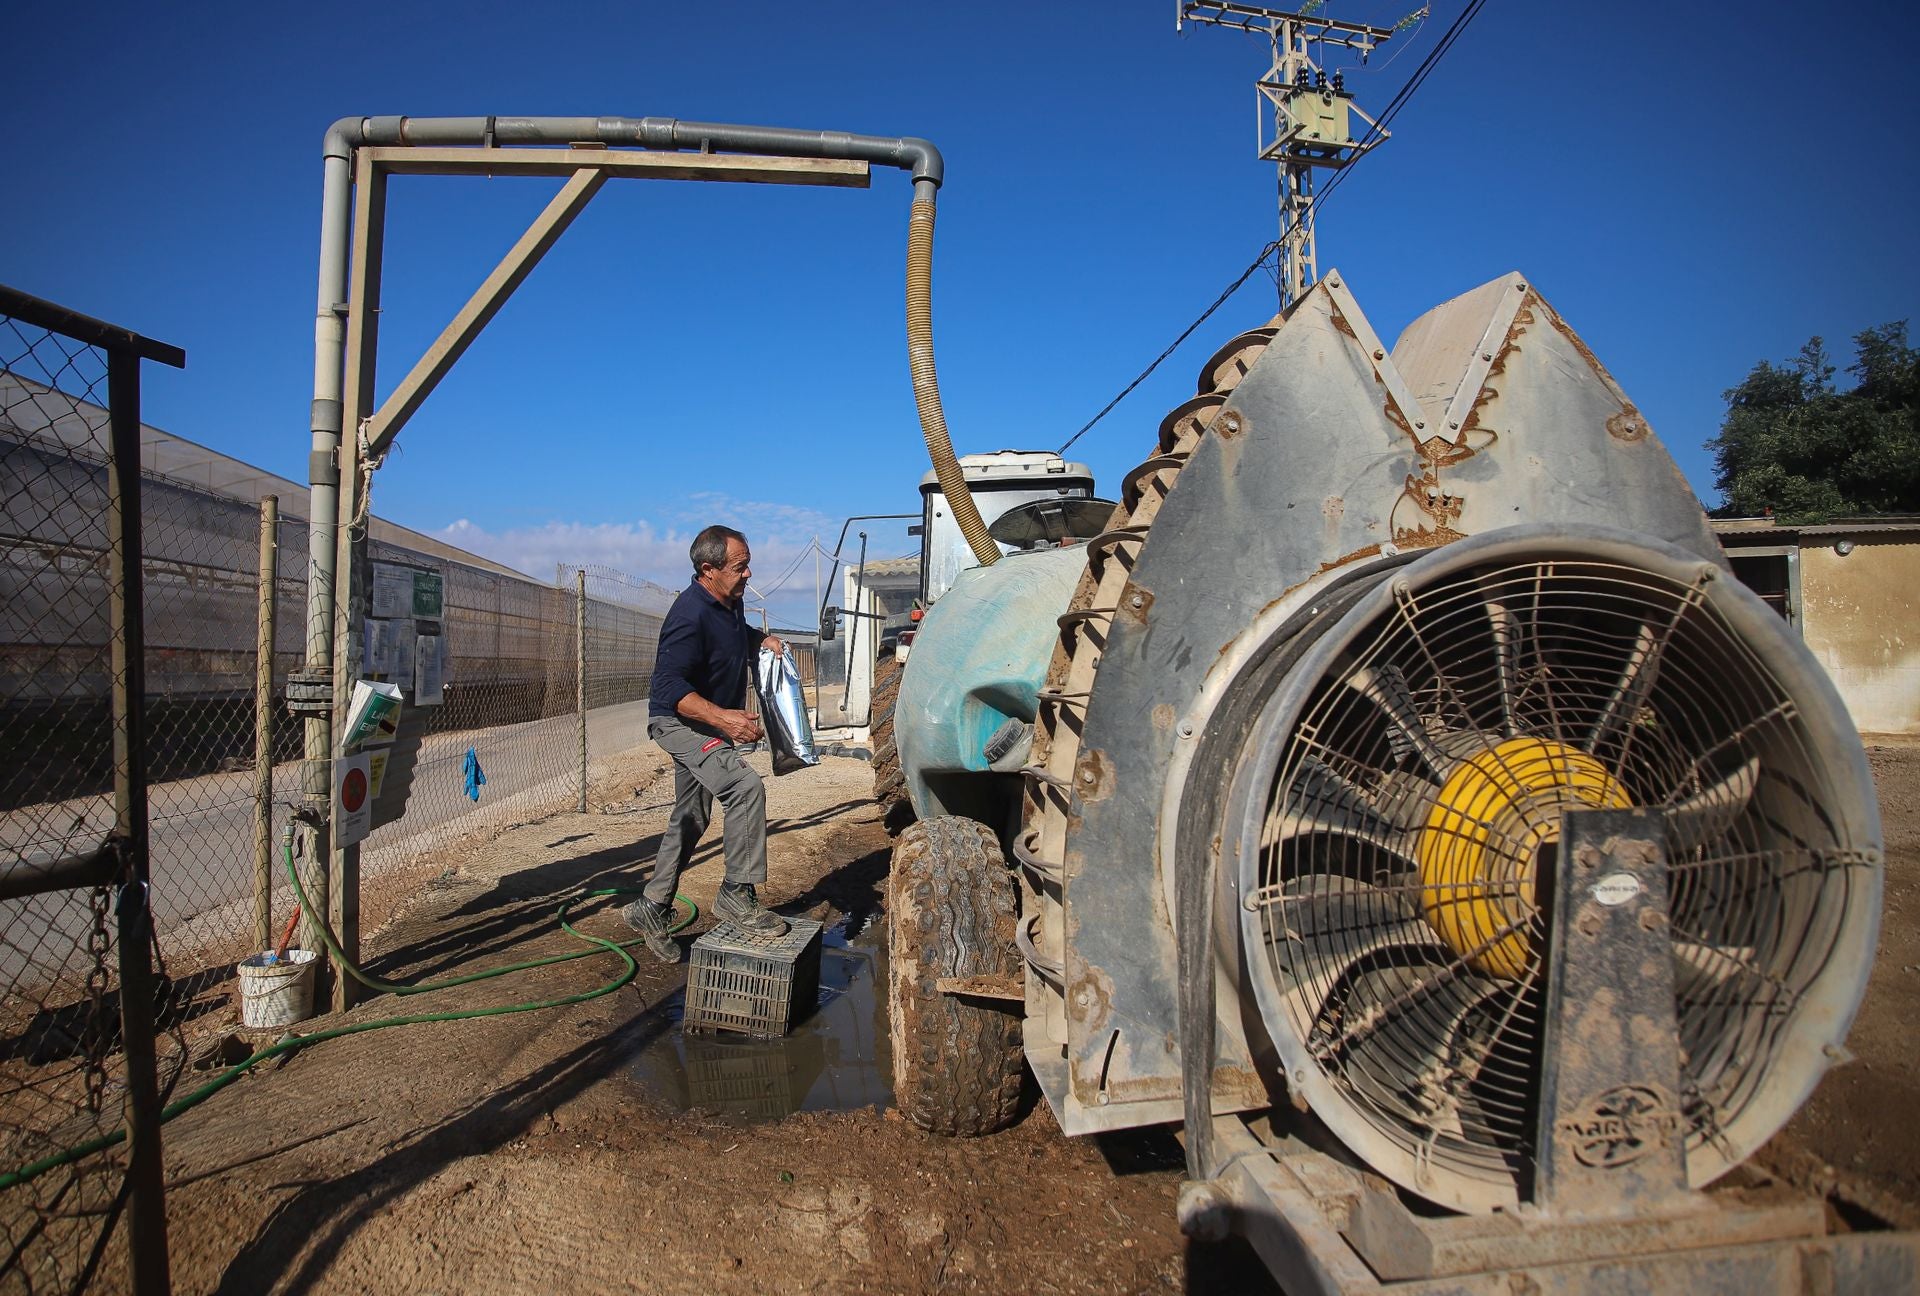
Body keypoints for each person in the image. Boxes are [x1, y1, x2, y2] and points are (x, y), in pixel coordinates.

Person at [623, 525, 790, 962]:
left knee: (692, 815)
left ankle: (651, 906)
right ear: (708, 569)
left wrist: (762, 640)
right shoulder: (688, 615)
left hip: (706, 723)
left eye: (748, 562)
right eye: (740, 566)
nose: (749, 573)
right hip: (679, 722)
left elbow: (736, 636)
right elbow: (668, 687)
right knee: (744, 788)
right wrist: (723, 719)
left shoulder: (728, 603)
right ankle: (736, 892)